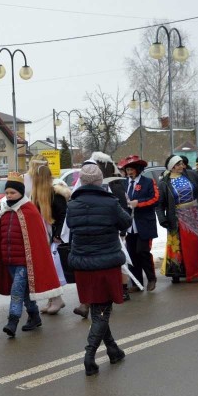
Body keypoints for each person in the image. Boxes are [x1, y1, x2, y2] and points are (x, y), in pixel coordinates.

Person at [65, 163, 131, 376]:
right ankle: (89, 356)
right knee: (103, 310)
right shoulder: (110, 203)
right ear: (100, 181)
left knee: (98, 309)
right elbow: (126, 222)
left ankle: (113, 350)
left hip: (83, 265)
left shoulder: (72, 204)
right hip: (105, 263)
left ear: (82, 181)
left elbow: (70, 226)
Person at [0, 172, 62, 337]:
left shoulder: (29, 211)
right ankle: (34, 316)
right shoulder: (5, 211)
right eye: (7, 193)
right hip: (9, 261)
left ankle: (12, 320)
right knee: (25, 292)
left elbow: (37, 241)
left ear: (21, 192)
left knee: (17, 291)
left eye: (12, 193)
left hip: (24, 262)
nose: (9, 196)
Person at [156, 155, 198, 283]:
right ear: (172, 167)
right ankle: (178, 272)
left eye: (182, 164)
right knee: (180, 245)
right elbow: (159, 205)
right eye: (179, 164)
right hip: (177, 217)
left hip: (194, 214)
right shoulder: (164, 183)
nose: (182, 166)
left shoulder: (191, 175)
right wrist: (162, 219)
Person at [30, 165, 69, 315]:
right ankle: (52, 299)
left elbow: (62, 216)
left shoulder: (55, 195)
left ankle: (57, 299)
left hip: (53, 238)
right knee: (47, 269)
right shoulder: (36, 195)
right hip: (43, 236)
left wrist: (58, 235)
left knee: (52, 269)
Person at [119, 155, 160, 293]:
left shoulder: (149, 182)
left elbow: (155, 198)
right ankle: (136, 283)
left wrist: (139, 203)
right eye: (127, 169)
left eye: (131, 169)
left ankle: (151, 278)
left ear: (138, 169)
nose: (129, 172)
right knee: (131, 254)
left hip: (144, 223)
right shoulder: (123, 183)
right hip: (129, 225)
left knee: (142, 251)